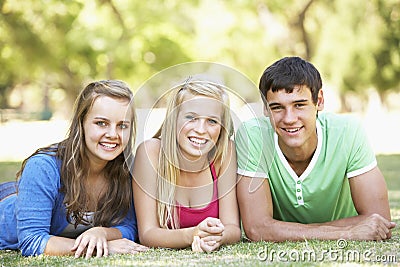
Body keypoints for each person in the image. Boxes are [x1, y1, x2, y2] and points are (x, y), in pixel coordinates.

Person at [235, 56, 396, 242]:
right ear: (265, 108)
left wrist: (280, 229)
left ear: (319, 101)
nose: (289, 118)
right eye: (277, 107)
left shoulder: (348, 132)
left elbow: (380, 221)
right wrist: (347, 233)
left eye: (299, 105)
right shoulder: (253, 135)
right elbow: (257, 228)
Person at [0, 80, 147, 258]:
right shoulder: (43, 168)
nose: (113, 134)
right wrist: (101, 249)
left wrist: (101, 233)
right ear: (81, 123)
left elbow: (130, 227)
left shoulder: (125, 169)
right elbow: (32, 241)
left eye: (122, 126)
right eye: (101, 123)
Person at [132, 80, 241, 252]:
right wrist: (193, 235)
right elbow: (147, 234)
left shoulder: (224, 153)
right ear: (173, 119)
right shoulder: (150, 152)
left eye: (212, 121)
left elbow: (233, 228)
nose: (201, 129)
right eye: (191, 118)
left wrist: (215, 237)